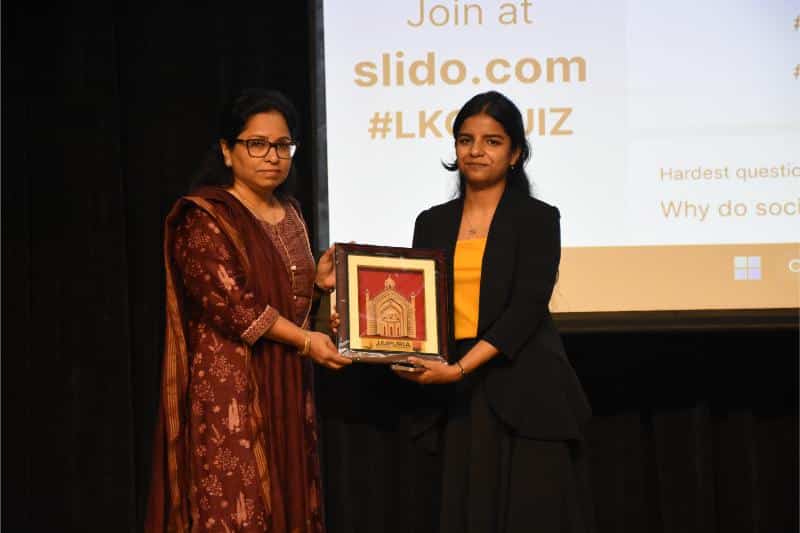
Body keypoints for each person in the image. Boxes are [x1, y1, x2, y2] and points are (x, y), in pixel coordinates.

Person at [146, 88, 351, 532]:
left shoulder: (291, 212)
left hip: (288, 383)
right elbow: (235, 306)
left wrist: (320, 289)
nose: (272, 156)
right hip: (231, 389)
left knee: (291, 497)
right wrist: (307, 341)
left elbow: (294, 309)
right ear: (227, 150)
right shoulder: (205, 216)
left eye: (282, 145)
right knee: (238, 505)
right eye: (257, 144)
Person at [393, 91, 594, 532]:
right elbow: (414, 303)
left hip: (523, 387)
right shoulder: (431, 221)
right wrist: (359, 325)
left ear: (516, 153)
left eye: (492, 141)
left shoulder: (538, 218)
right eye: (466, 140)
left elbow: (526, 308)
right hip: (455, 398)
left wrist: (460, 368)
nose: (476, 151)